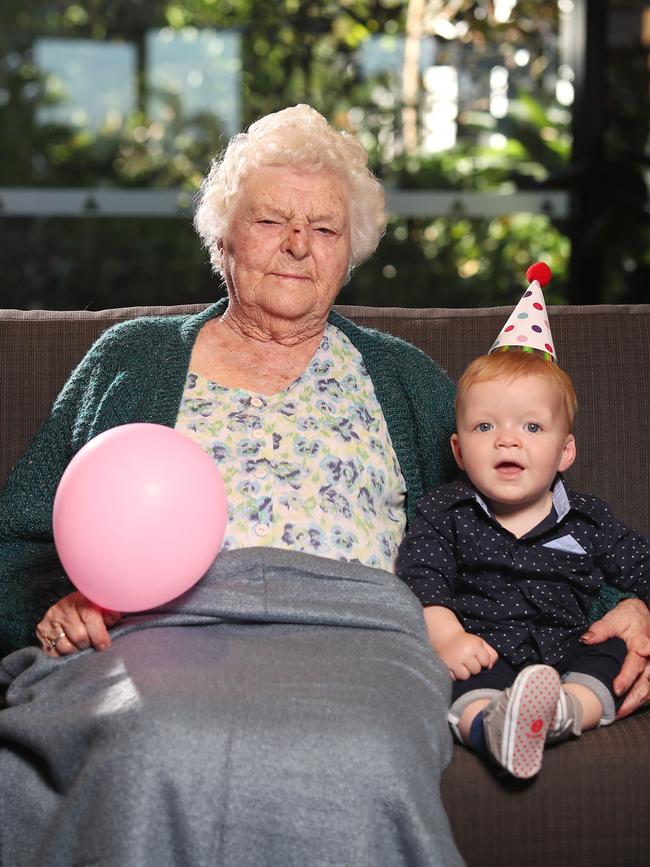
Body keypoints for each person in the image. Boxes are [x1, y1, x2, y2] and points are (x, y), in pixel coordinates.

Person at [0, 107, 647, 866]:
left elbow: (512, 512)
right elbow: (23, 534)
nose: (299, 245)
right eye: (273, 218)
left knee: (364, 753)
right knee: (152, 740)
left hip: (360, 635)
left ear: (349, 256)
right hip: (158, 634)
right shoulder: (129, 357)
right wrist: (58, 605)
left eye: (326, 230)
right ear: (225, 237)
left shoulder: (403, 376)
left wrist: (621, 610)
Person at [396, 275, 650, 780]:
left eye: (531, 427)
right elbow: (421, 577)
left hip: (571, 649)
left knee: (617, 652)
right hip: (482, 648)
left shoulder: (589, 519)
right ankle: (492, 728)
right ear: (459, 451)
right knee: (449, 682)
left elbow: (643, 568)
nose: (507, 441)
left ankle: (561, 714)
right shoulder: (444, 512)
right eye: (485, 427)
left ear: (565, 452)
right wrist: (447, 639)